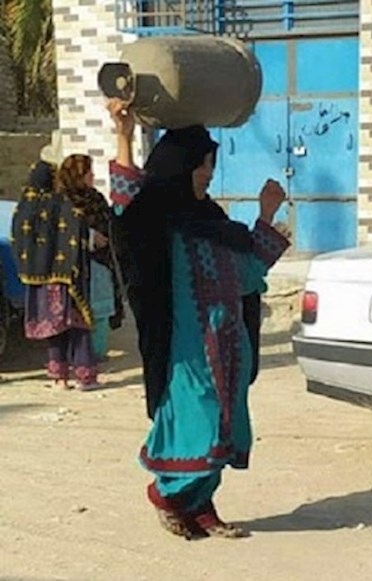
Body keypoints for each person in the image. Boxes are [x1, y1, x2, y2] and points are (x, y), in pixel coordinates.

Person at [107, 99, 290, 539]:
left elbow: (249, 274)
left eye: (210, 164)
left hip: (229, 346)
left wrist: (266, 216)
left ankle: (201, 507)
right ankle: (166, 494)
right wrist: (124, 134)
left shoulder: (213, 220)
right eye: (203, 164)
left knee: (226, 425)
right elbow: (124, 201)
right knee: (198, 423)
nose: (209, 173)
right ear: (182, 165)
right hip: (184, 349)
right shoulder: (154, 220)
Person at [12, 157, 100, 389]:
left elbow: (19, 241)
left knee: (53, 327)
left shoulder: (22, 207)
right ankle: (84, 375)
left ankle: (59, 375)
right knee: (77, 324)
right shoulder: (61, 203)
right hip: (66, 277)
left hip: (39, 281)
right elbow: (76, 229)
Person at [56, 155, 125, 363]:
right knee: (80, 311)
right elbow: (63, 229)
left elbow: (109, 220)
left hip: (101, 262)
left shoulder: (94, 197)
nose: (92, 176)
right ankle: (80, 356)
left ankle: (97, 352)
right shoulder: (63, 201)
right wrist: (91, 237)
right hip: (77, 265)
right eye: (88, 173)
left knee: (102, 310)